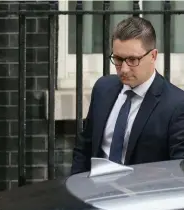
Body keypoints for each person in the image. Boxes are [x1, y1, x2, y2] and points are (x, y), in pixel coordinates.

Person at [71, 16, 184, 175]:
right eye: (117, 59)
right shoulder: (103, 88)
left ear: (153, 56)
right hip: (94, 193)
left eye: (132, 60)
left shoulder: (176, 105)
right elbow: (84, 147)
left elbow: (179, 170)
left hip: (141, 196)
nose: (123, 69)